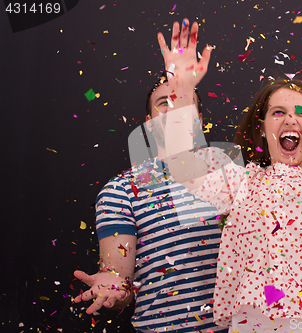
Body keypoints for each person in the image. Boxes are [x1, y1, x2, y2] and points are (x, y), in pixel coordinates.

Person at [158, 1, 302, 332]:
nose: (291, 118)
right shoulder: (241, 182)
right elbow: (184, 164)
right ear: (262, 127)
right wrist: (183, 89)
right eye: (278, 112)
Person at [72, 23, 228, 332]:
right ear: (148, 123)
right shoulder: (120, 192)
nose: (174, 110)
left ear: (198, 118)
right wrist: (112, 286)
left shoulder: (230, 177)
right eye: (163, 104)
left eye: (181, 101)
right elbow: (119, 277)